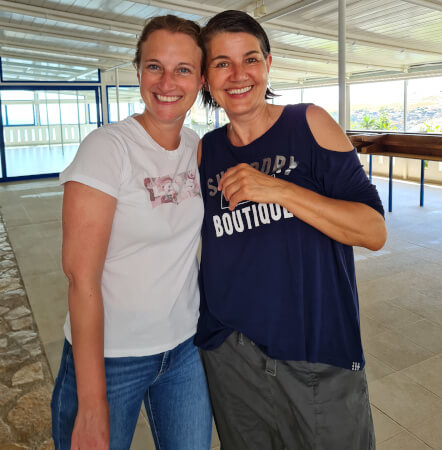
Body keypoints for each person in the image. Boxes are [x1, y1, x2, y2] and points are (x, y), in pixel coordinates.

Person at [195, 10, 387, 450]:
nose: (238, 74)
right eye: (222, 63)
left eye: (251, 59)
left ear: (268, 64)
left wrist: (279, 190)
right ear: (206, 78)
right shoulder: (207, 150)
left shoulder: (309, 123)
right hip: (232, 358)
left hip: (315, 353)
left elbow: (373, 230)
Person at [51, 15, 212, 450]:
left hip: (183, 349)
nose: (167, 82)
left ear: (200, 80)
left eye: (183, 70)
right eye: (154, 66)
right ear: (138, 70)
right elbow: (80, 278)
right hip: (110, 357)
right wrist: (90, 402)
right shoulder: (107, 148)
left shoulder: (198, 148)